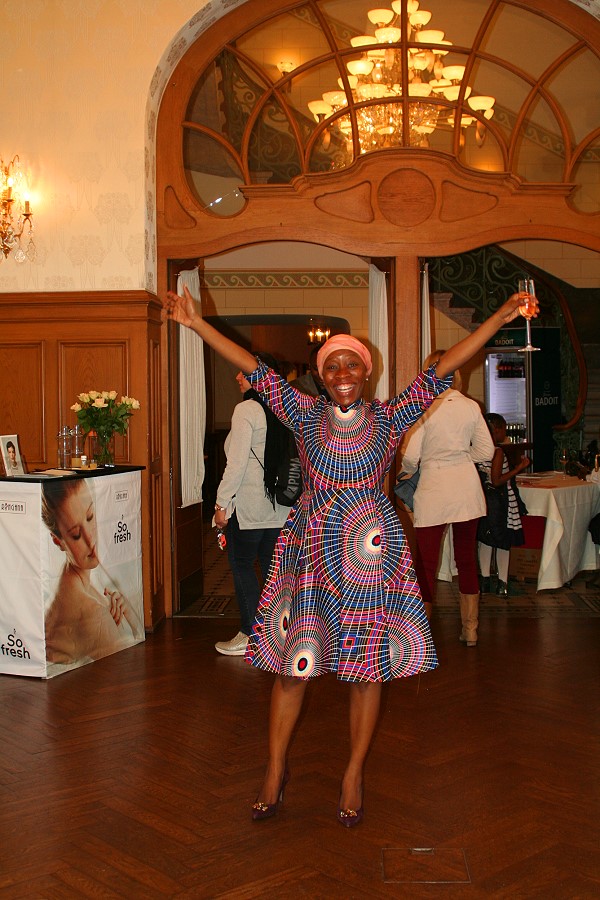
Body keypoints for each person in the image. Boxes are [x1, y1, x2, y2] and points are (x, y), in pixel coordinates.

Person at [163, 284, 537, 827]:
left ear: (367, 371)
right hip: (312, 553)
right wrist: (196, 323)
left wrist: (502, 314)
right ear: (321, 375)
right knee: (294, 668)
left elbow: (446, 365)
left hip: (371, 555)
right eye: (332, 365)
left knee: (367, 671)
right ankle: (275, 768)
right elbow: (253, 367)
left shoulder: (390, 416)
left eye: (351, 364)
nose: (342, 372)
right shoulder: (303, 412)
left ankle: (353, 773)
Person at [400, 353, 495, 646]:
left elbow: (411, 457)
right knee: (466, 559)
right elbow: (486, 452)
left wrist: (407, 472)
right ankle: (470, 629)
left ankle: (421, 633)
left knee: (426, 562)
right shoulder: (470, 406)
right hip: (466, 487)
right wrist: (462, 458)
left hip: (434, 488)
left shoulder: (424, 407)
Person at [214, 358, 290, 656]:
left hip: (249, 507)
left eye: (244, 372)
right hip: (280, 507)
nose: (238, 376)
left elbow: (236, 463)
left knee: (243, 565)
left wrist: (221, 503)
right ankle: (277, 636)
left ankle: (250, 634)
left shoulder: (247, 409)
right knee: (275, 574)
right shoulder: (284, 408)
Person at [42, 478, 143, 664]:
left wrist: (127, 610)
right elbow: (132, 666)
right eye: (76, 535)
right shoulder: (92, 613)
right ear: (58, 541)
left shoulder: (66, 586)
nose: (90, 540)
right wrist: (133, 621)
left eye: (90, 517)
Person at [477, 413, 530, 597]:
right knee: (503, 541)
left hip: (485, 500)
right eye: (503, 429)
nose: (505, 433)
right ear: (496, 430)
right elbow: (497, 480)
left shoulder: (478, 449)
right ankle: (502, 583)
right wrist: (518, 468)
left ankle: (484, 581)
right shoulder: (497, 452)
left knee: (485, 540)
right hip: (501, 501)